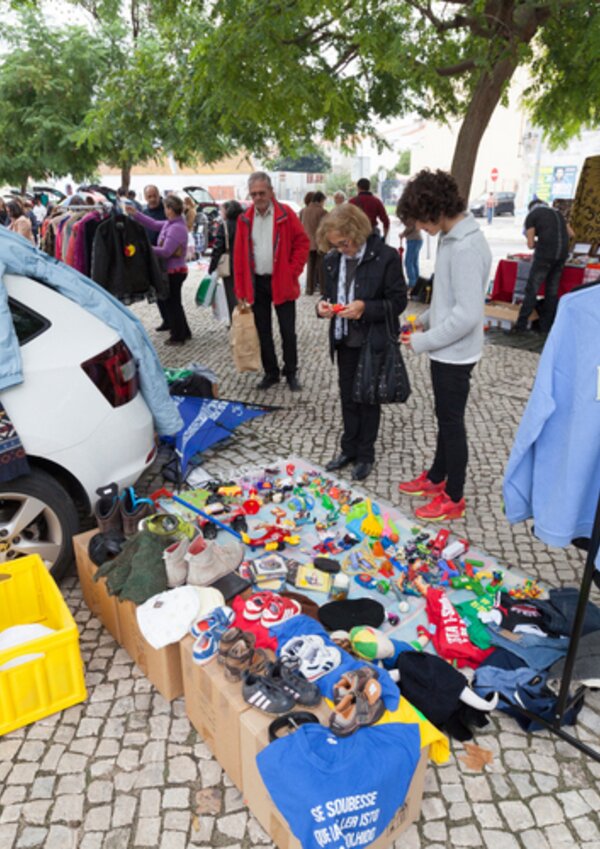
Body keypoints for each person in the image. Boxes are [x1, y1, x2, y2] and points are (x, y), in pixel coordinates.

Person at [396, 168, 492, 521]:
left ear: (435, 209)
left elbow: (467, 315)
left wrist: (423, 340)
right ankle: (438, 476)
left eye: (421, 220)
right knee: (445, 417)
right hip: (449, 349)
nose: (420, 228)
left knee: (451, 423)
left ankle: (454, 496)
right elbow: (448, 300)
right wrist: (423, 320)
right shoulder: (453, 238)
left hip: (455, 353)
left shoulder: (464, 247)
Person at [316, 203, 406, 482]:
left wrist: (365, 307)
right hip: (344, 338)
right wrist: (322, 307)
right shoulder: (333, 259)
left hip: (372, 340)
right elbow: (329, 295)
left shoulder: (386, 257)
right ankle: (349, 449)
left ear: (357, 232)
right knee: (347, 397)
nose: (342, 249)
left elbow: (398, 302)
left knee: (368, 399)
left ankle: (366, 455)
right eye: (336, 245)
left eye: (344, 243)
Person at [233, 171, 310, 392]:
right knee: (263, 330)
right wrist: (241, 288)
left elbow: (302, 243)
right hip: (257, 283)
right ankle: (271, 372)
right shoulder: (244, 219)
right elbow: (239, 256)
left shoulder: (286, 214)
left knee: (288, 331)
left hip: (282, 282)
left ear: (270, 191)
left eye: (261, 192)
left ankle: (291, 372)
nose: (258, 197)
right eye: (254, 194)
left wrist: (292, 271)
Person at [128, 194, 191, 346]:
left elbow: (166, 252)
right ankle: (184, 332)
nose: (164, 211)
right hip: (173, 270)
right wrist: (135, 214)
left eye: (165, 208)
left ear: (170, 209)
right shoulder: (172, 223)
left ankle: (178, 336)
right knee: (174, 303)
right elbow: (154, 224)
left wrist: (145, 247)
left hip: (174, 271)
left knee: (172, 305)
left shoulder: (176, 228)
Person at [511, 198, 571, 334]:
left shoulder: (532, 216)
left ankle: (521, 327)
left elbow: (530, 244)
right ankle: (546, 327)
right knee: (552, 291)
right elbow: (571, 234)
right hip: (562, 255)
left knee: (532, 290)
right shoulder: (558, 214)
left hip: (544, 255)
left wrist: (540, 242)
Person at [209, 199, 243, 319]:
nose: (220, 213)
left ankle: (236, 321)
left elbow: (218, 248)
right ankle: (246, 317)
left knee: (231, 295)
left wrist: (212, 267)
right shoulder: (244, 223)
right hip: (244, 264)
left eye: (222, 210)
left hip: (230, 265)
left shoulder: (224, 226)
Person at [301, 191, 328, 295]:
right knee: (321, 267)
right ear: (321, 200)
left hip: (307, 242)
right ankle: (323, 289)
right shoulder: (322, 212)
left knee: (310, 267)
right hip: (319, 242)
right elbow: (326, 227)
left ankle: (309, 288)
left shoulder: (304, 211)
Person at [399, 217, 422, 294]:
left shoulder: (411, 216)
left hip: (413, 239)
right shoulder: (414, 215)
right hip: (417, 239)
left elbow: (411, 227)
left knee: (408, 262)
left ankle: (412, 284)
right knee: (414, 262)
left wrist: (403, 234)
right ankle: (417, 282)